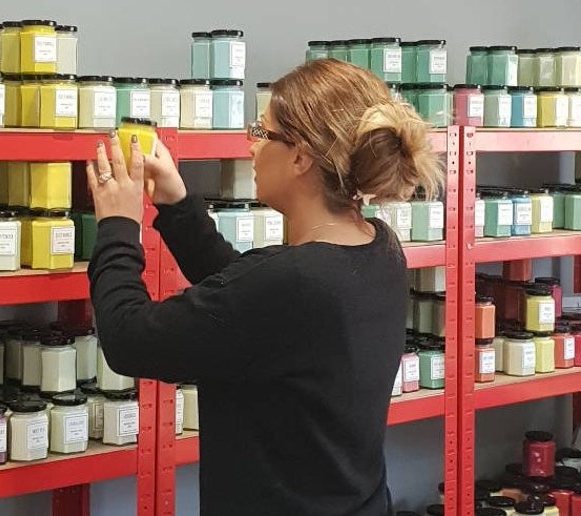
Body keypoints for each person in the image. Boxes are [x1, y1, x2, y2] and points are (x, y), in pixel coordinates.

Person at [86, 59, 443, 516]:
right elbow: (251, 307)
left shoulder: (291, 281)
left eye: (263, 131)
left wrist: (118, 224)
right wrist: (177, 206)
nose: (251, 145)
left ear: (300, 156)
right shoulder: (379, 250)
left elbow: (128, 338)